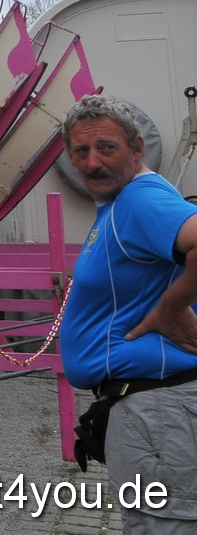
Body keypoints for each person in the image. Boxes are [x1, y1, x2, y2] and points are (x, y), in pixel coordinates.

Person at [59, 94, 197, 533]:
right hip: (152, 408)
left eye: (107, 148)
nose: (93, 162)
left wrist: (170, 310)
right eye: (82, 150)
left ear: (137, 148)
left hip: (157, 409)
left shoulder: (140, 199)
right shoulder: (121, 204)